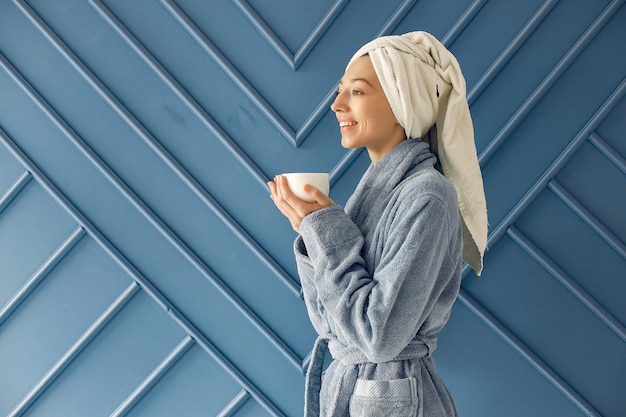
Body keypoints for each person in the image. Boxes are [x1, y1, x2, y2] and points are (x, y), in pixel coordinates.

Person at [268, 31, 487, 417]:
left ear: (403, 100)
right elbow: (330, 323)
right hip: (352, 389)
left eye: (357, 91)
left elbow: (378, 335)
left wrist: (324, 228)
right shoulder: (371, 196)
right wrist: (311, 231)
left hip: (394, 395)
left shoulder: (428, 196)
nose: (336, 105)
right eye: (340, 91)